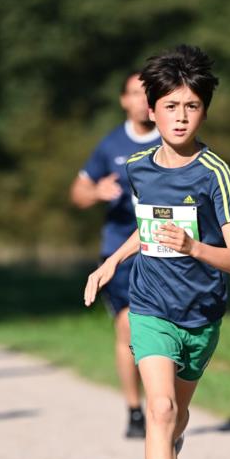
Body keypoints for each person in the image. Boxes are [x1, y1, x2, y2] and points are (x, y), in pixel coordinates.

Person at [84, 45, 230, 459]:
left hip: (202, 314)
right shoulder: (137, 167)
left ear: (204, 111)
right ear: (149, 109)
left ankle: (164, 454)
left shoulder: (215, 173)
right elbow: (147, 226)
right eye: (171, 105)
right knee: (158, 410)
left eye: (192, 106)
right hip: (150, 304)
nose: (181, 116)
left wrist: (193, 247)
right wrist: (111, 261)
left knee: (175, 416)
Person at [71, 74, 160, 438]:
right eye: (135, 94)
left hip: (164, 249)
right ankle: (135, 409)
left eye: (148, 94)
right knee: (127, 326)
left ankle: (164, 404)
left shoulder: (173, 139)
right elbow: (77, 192)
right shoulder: (111, 145)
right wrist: (96, 192)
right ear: (124, 100)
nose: (142, 102)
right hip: (118, 253)